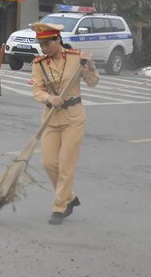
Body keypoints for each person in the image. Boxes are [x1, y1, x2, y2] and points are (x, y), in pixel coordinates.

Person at [30, 22, 99, 225]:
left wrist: (91, 66)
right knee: (48, 162)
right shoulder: (39, 63)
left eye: (47, 43)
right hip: (51, 117)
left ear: (58, 40)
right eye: (40, 44)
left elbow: (93, 82)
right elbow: (37, 91)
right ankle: (70, 197)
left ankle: (60, 206)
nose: (43, 48)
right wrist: (49, 98)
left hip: (74, 118)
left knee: (66, 165)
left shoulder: (77, 58)